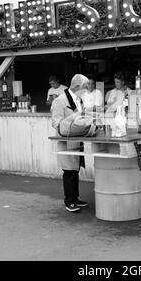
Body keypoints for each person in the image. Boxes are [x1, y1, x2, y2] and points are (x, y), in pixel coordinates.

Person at [51, 74, 89, 212]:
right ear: (77, 86)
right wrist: (73, 123)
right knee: (68, 171)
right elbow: (56, 123)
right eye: (85, 87)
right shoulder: (59, 101)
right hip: (66, 141)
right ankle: (69, 201)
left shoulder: (80, 100)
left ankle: (75, 198)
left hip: (77, 140)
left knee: (75, 170)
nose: (87, 90)